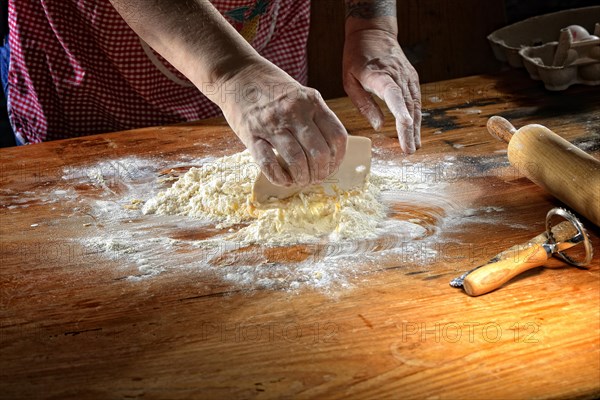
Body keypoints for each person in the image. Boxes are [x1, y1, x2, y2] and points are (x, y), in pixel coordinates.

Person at [1, 0, 421, 186]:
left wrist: (371, 24)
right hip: (98, 57)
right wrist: (235, 73)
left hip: (260, 43)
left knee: (280, 137)